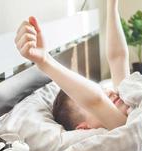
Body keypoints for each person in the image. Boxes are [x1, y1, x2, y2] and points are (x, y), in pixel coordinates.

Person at [15, 0, 130, 131]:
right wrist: (45, 62)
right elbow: (96, 100)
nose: (108, 93)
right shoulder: (126, 128)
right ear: (84, 128)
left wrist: (112, 5)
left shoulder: (129, 99)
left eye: (102, 89)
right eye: (87, 103)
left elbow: (118, 58)